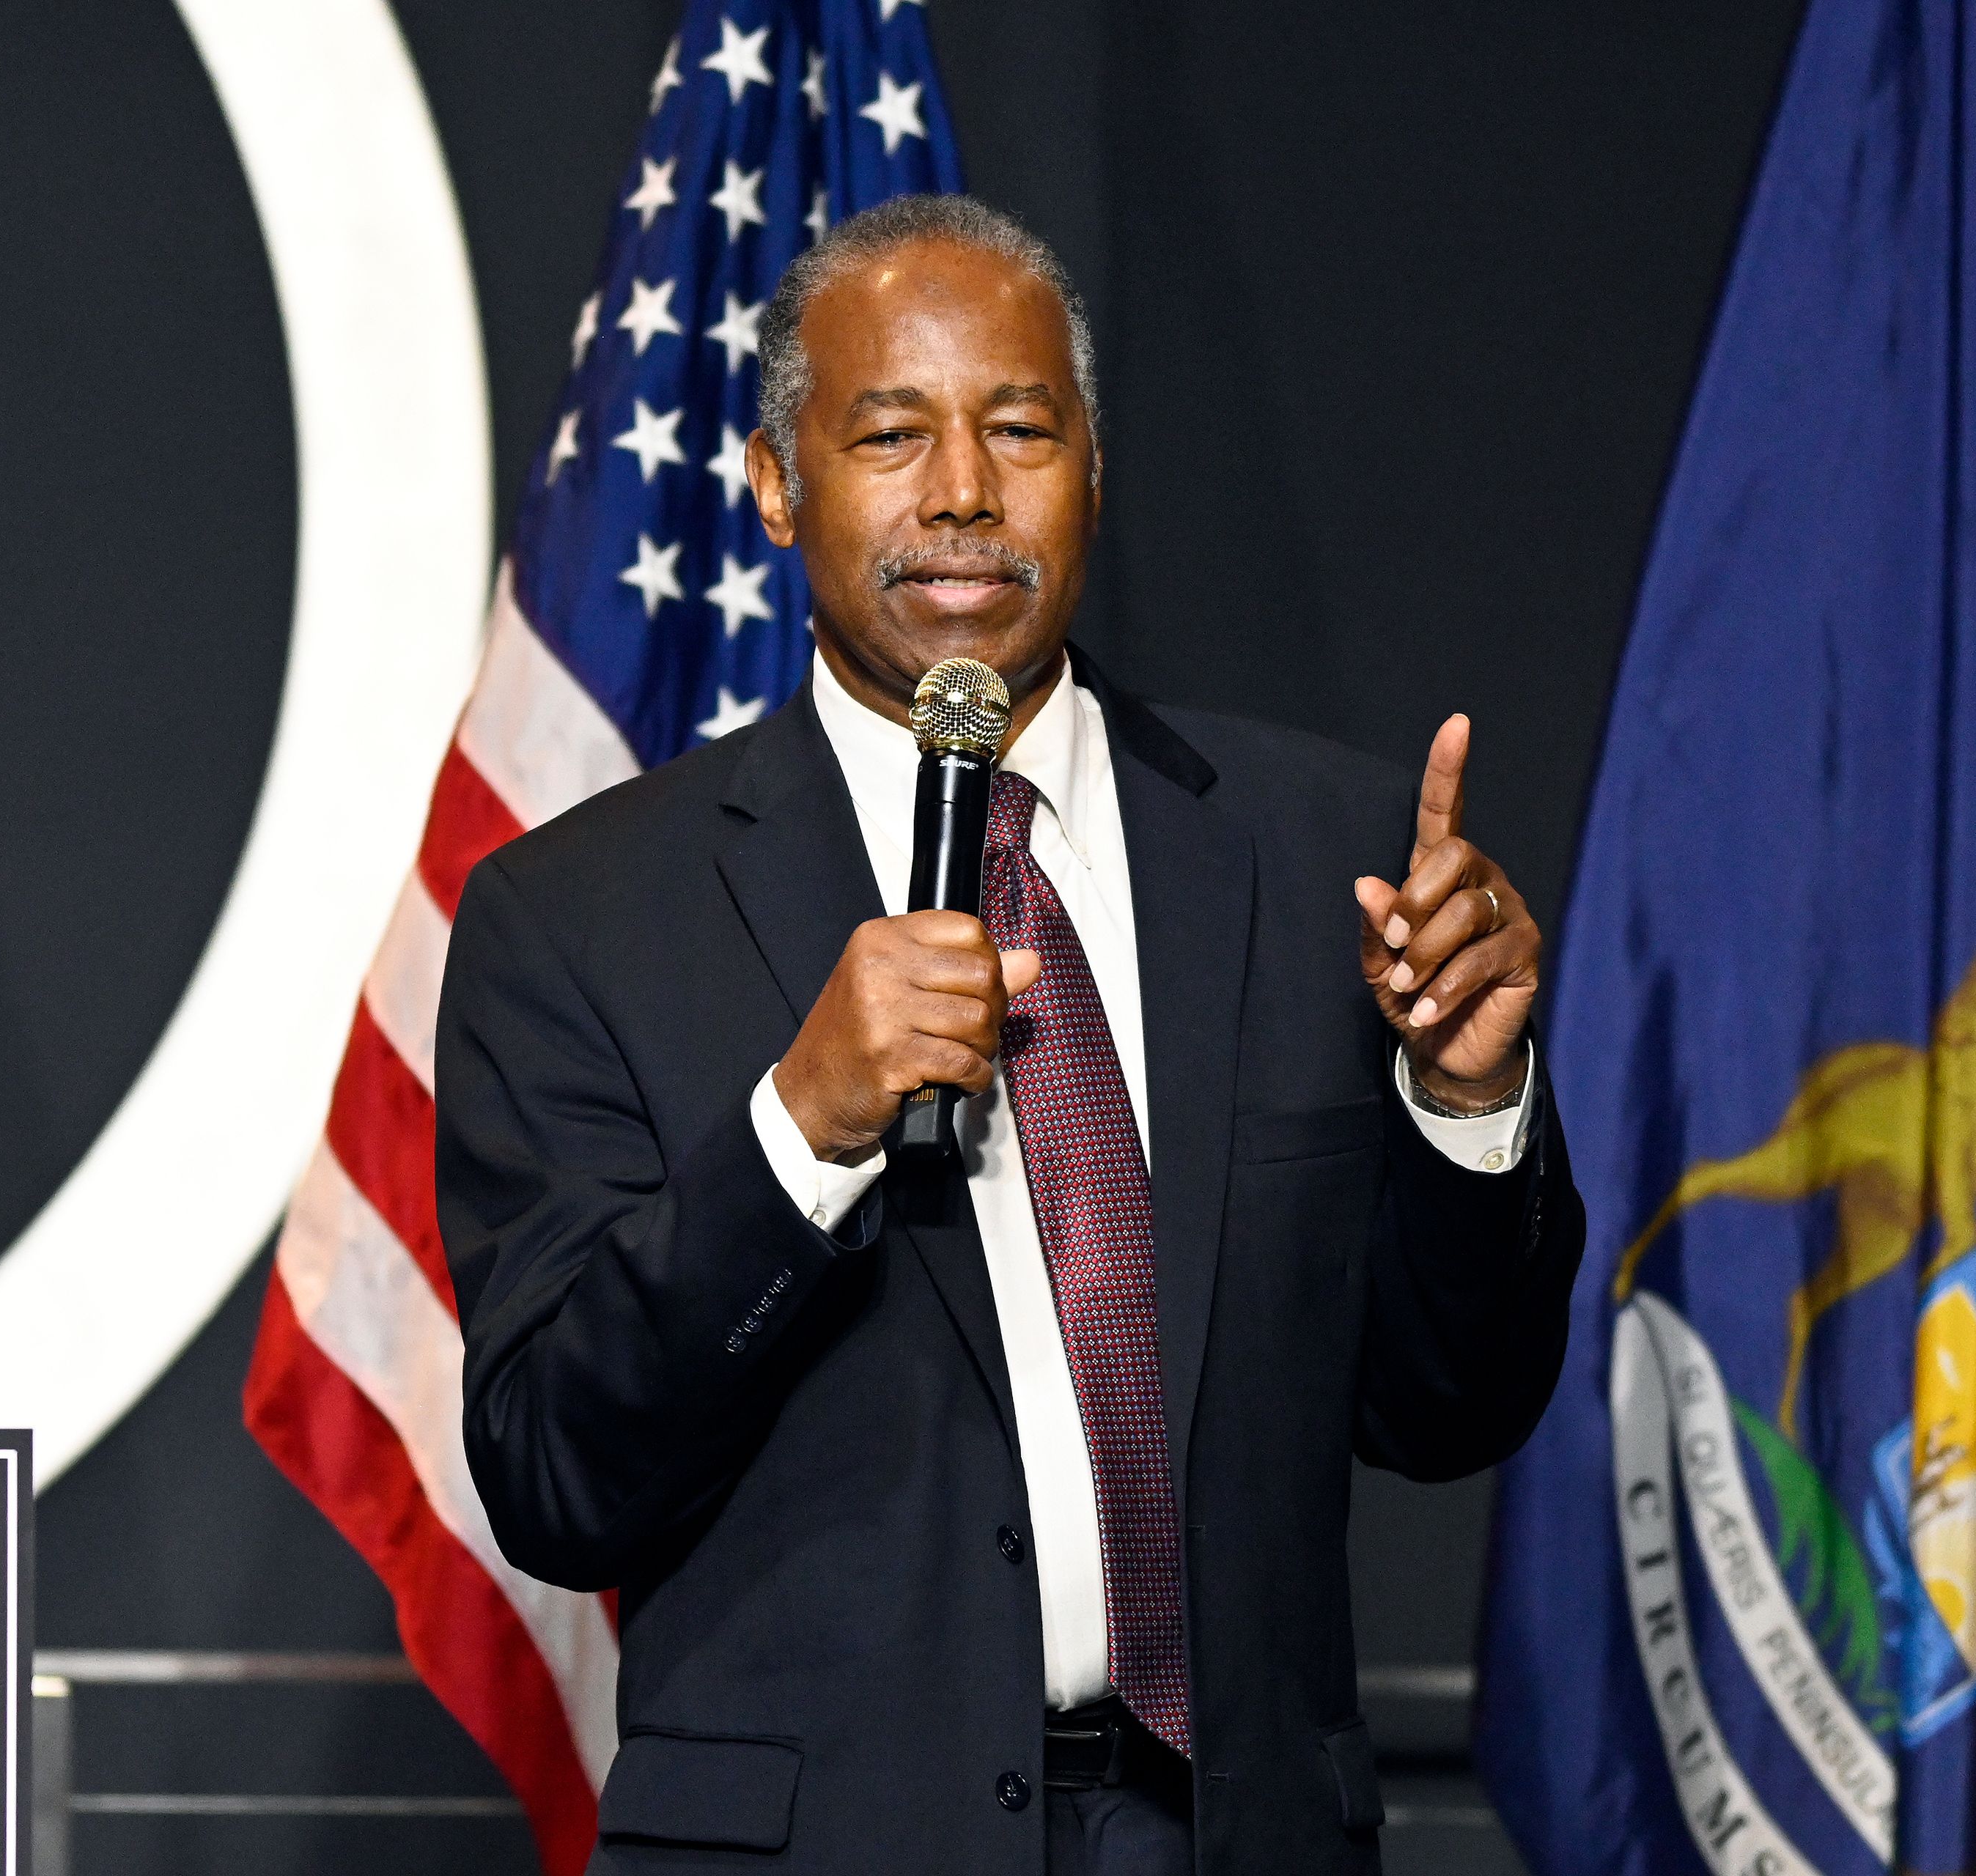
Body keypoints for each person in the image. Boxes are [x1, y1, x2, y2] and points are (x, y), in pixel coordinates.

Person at [440, 194, 1585, 1876]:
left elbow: (1450, 1404)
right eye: (891, 432)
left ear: (1096, 473)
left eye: (1022, 429)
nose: (964, 490)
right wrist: (802, 1129)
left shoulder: (1316, 846)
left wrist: (1467, 1105)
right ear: (775, 484)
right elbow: (553, 1469)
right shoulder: (582, 916)